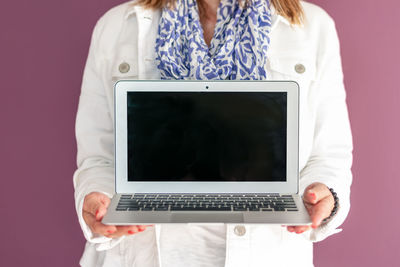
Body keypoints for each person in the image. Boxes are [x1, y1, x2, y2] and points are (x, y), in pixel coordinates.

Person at [73, 0, 353, 266]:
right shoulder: (115, 27)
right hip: (141, 255)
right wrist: (98, 200)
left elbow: (328, 154)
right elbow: (98, 158)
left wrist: (325, 193)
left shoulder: (313, 27)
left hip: (266, 255)